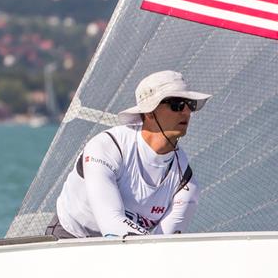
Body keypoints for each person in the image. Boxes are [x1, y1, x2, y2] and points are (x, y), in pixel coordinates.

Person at [47, 70, 211, 238]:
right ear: (149, 112)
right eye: (177, 105)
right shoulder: (106, 148)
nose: (186, 112)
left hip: (122, 248)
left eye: (190, 104)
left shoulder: (186, 183)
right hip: (70, 235)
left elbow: (164, 244)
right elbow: (112, 224)